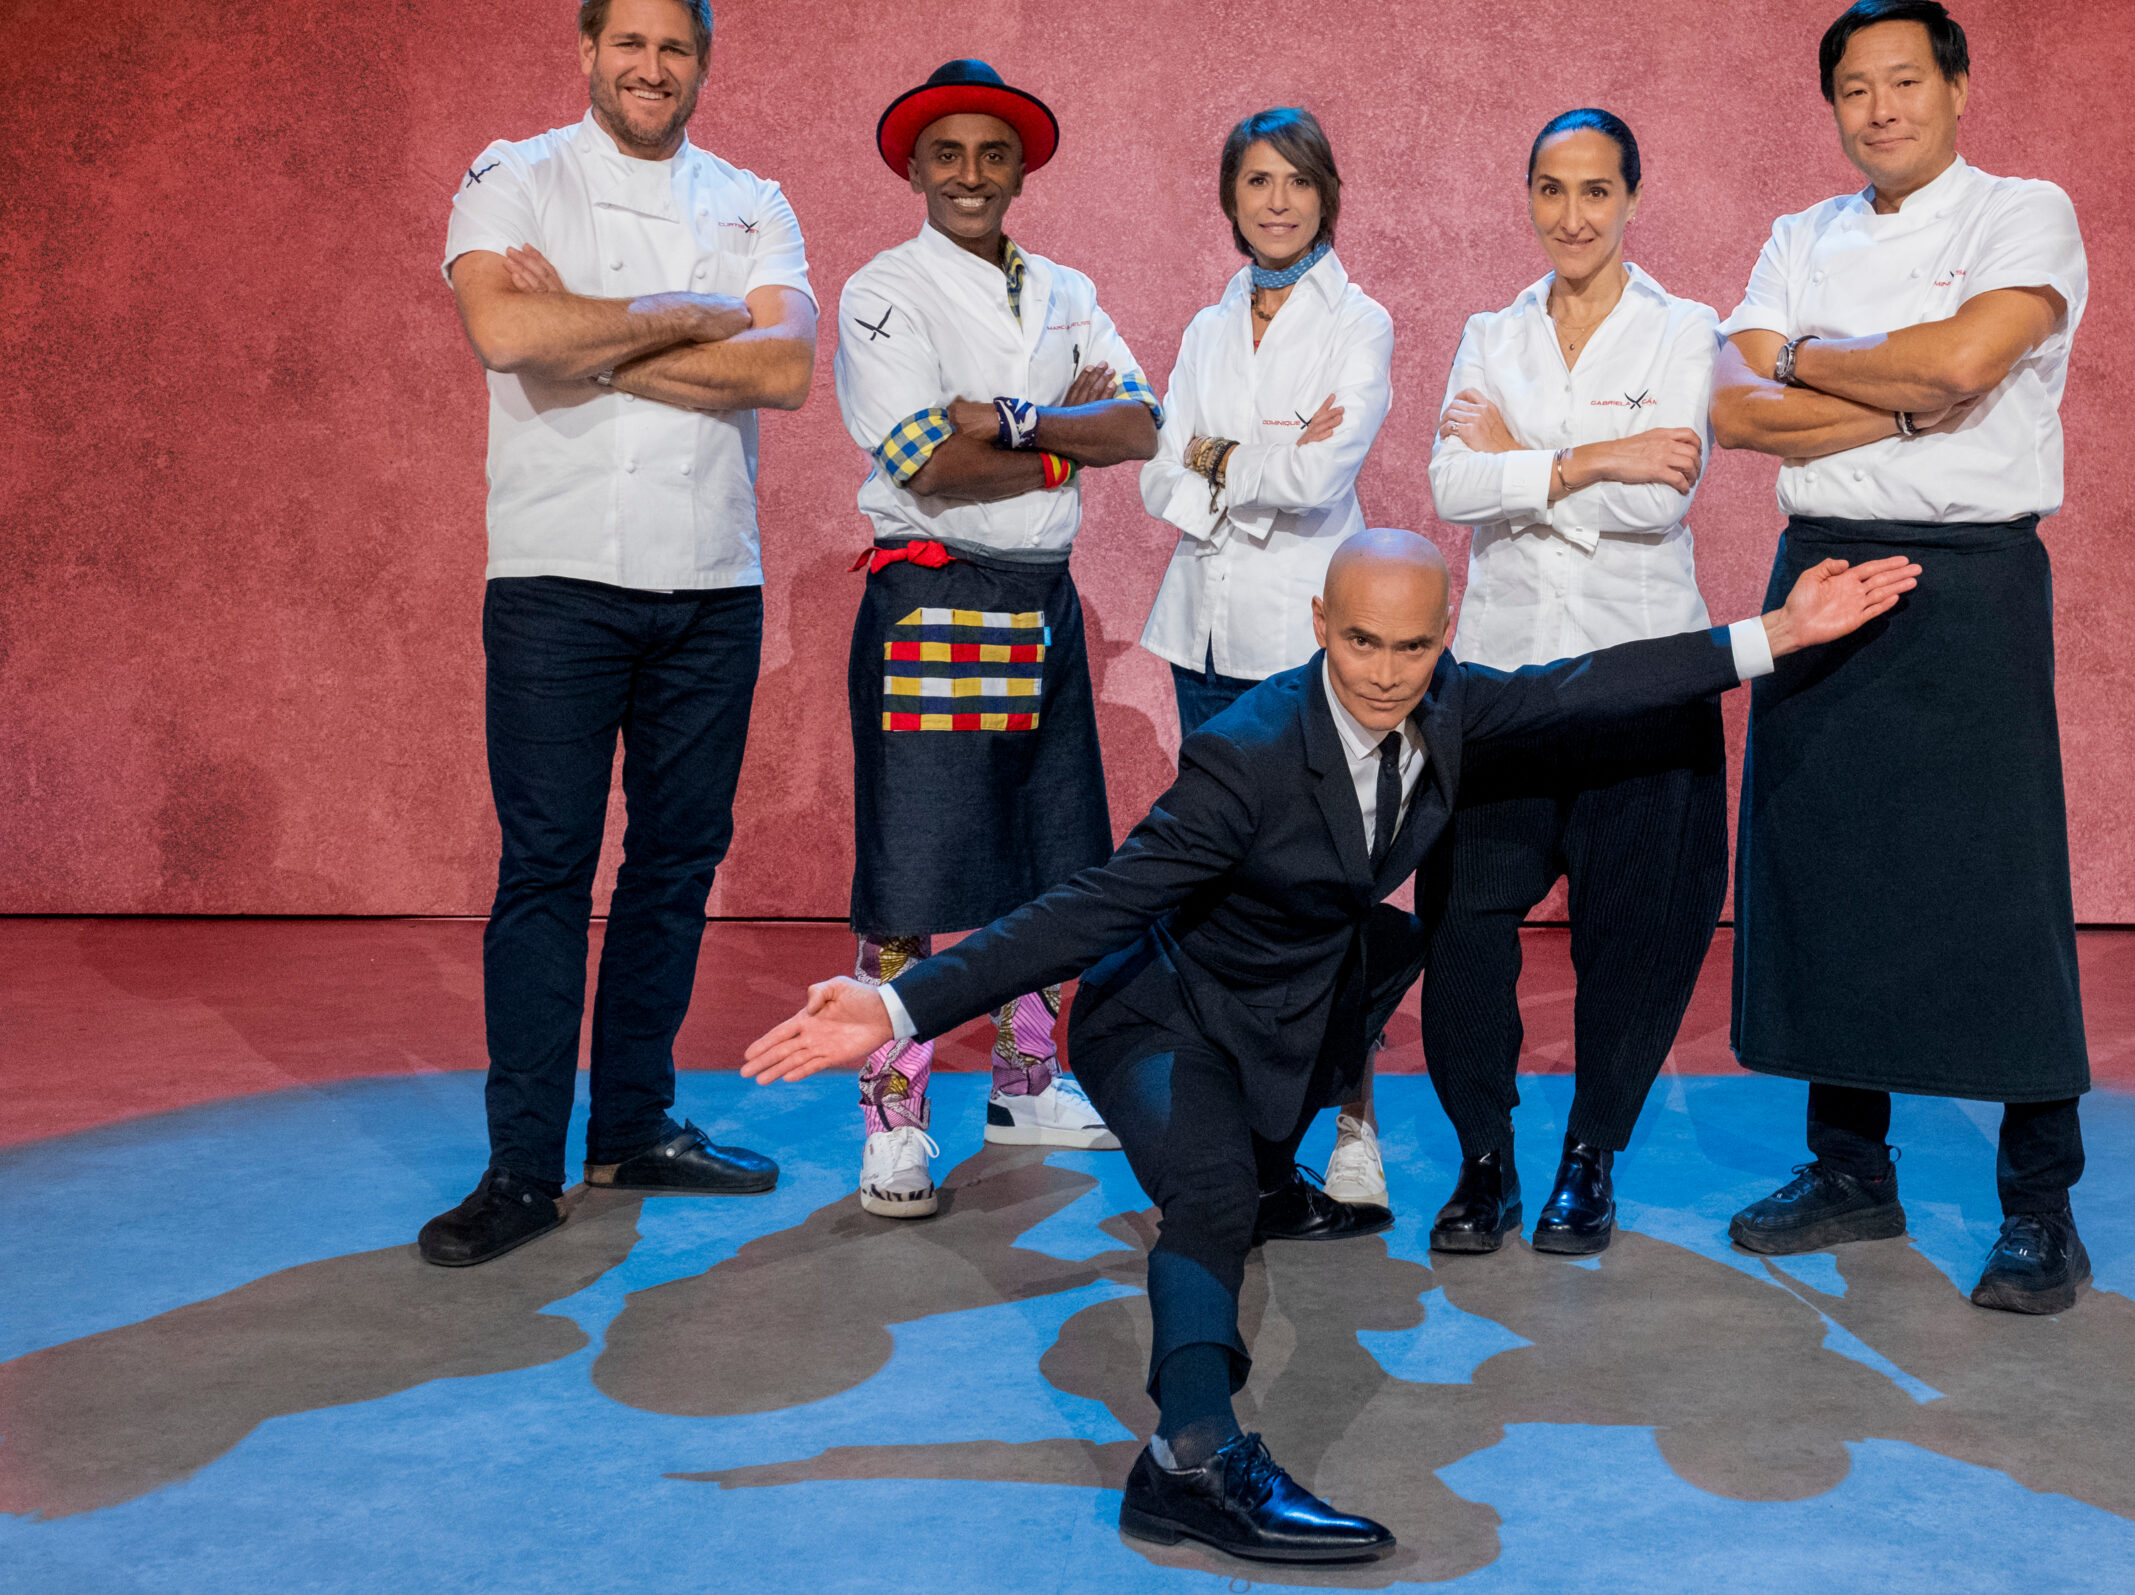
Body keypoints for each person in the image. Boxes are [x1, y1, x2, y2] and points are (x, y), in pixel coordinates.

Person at [742, 529, 1920, 1563]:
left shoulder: (1448, 704)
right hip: (1158, 1017)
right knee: (1205, 1199)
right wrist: (899, 1009)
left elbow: (1585, 686)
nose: (1384, 676)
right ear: (1319, 627)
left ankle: (1271, 1175)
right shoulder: (1245, 757)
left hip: (1290, 1004)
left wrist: (1774, 631)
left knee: (1373, 958)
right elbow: (1094, 905)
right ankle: (1191, 1459)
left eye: (1411, 650)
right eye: (1361, 644)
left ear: (1442, 638)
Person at [421, 0, 815, 1267]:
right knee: (546, 868)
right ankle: (523, 1166)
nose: (652, 68)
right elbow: (503, 334)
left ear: (703, 65)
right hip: (554, 581)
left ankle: (634, 1120)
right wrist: (689, 315)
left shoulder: (756, 194)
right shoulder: (512, 173)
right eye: (631, 44)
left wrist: (595, 341)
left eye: (676, 48)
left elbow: (783, 374)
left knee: (675, 862)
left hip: (713, 581)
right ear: (589, 52)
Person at [1708, 0, 2096, 1313]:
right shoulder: (1795, 234)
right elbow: (1735, 408)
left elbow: (1978, 353)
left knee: (2000, 883)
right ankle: (1849, 1163)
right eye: (1854, 90)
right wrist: (1911, 392)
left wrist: (1816, 360)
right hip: (1818, 570)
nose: (1879, 110)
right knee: (1829, 868)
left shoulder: (2022, 210)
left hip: (1970, 575)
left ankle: (2039, 1200)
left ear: (1959, 87)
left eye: (1904, 83)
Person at [829, 59, 1163, 1219]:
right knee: (908, 877)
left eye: (993, 154)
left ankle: (1026, 1083)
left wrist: (1018, 419)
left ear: (1020, 169)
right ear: (914, 169)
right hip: (935, 594)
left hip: (1043, 593)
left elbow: (1143, 421)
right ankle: (894, 1121)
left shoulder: (1067, 286)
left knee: (1052, 865)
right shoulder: (884, 291)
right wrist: (1071, 438)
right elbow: (928, 460)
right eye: (947, 155)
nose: (970, 174)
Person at [1421, 108, 1724, 1258]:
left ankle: (1591, 1155)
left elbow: (1670, 494)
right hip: (1503, 680)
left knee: (1632, 934)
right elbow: (1451, 485)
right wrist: (1597, 453)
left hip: (1642, 678)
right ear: (1529, 197)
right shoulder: (1488, 330)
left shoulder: (1687, 327)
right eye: (1551, 190)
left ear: (1632, 199)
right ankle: (1484, 1160)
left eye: (1595, 191)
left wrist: (1521, 460)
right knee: (1462, 927)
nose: (1572, 215)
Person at [1138, 106, 1398, 1214]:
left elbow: (1319, 481)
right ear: (1230, 199)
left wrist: (1213, 455)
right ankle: (1233, 1132)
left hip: (1302, 642)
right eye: (1256, 181)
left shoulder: (1363, 322)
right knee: (1221, 894)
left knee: (1327, 893)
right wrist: (1238, 457)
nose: (1277, 201)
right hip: (1201, 632)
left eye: (1296, 180)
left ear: (1326, 193)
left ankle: (1350, 1121)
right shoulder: (1206, 328)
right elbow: (1158, 476)